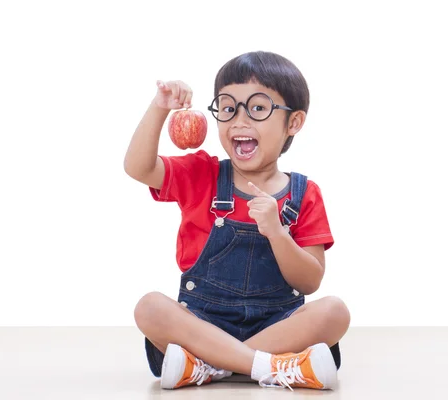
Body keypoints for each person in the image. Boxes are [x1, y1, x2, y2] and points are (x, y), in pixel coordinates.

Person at [123, 51, 351, 391]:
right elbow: (138, 168)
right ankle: (271, 367)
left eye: (258, 109)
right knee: (150, 308)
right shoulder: (202, 174)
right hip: (201, 323)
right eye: (228, 108)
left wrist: (277, 233)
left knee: (335, 312)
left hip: (278, 325)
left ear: (294, 122)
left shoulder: (305, 193)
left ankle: (208, 365)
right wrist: (160, 107)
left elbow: (309, 282)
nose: (239, 121)